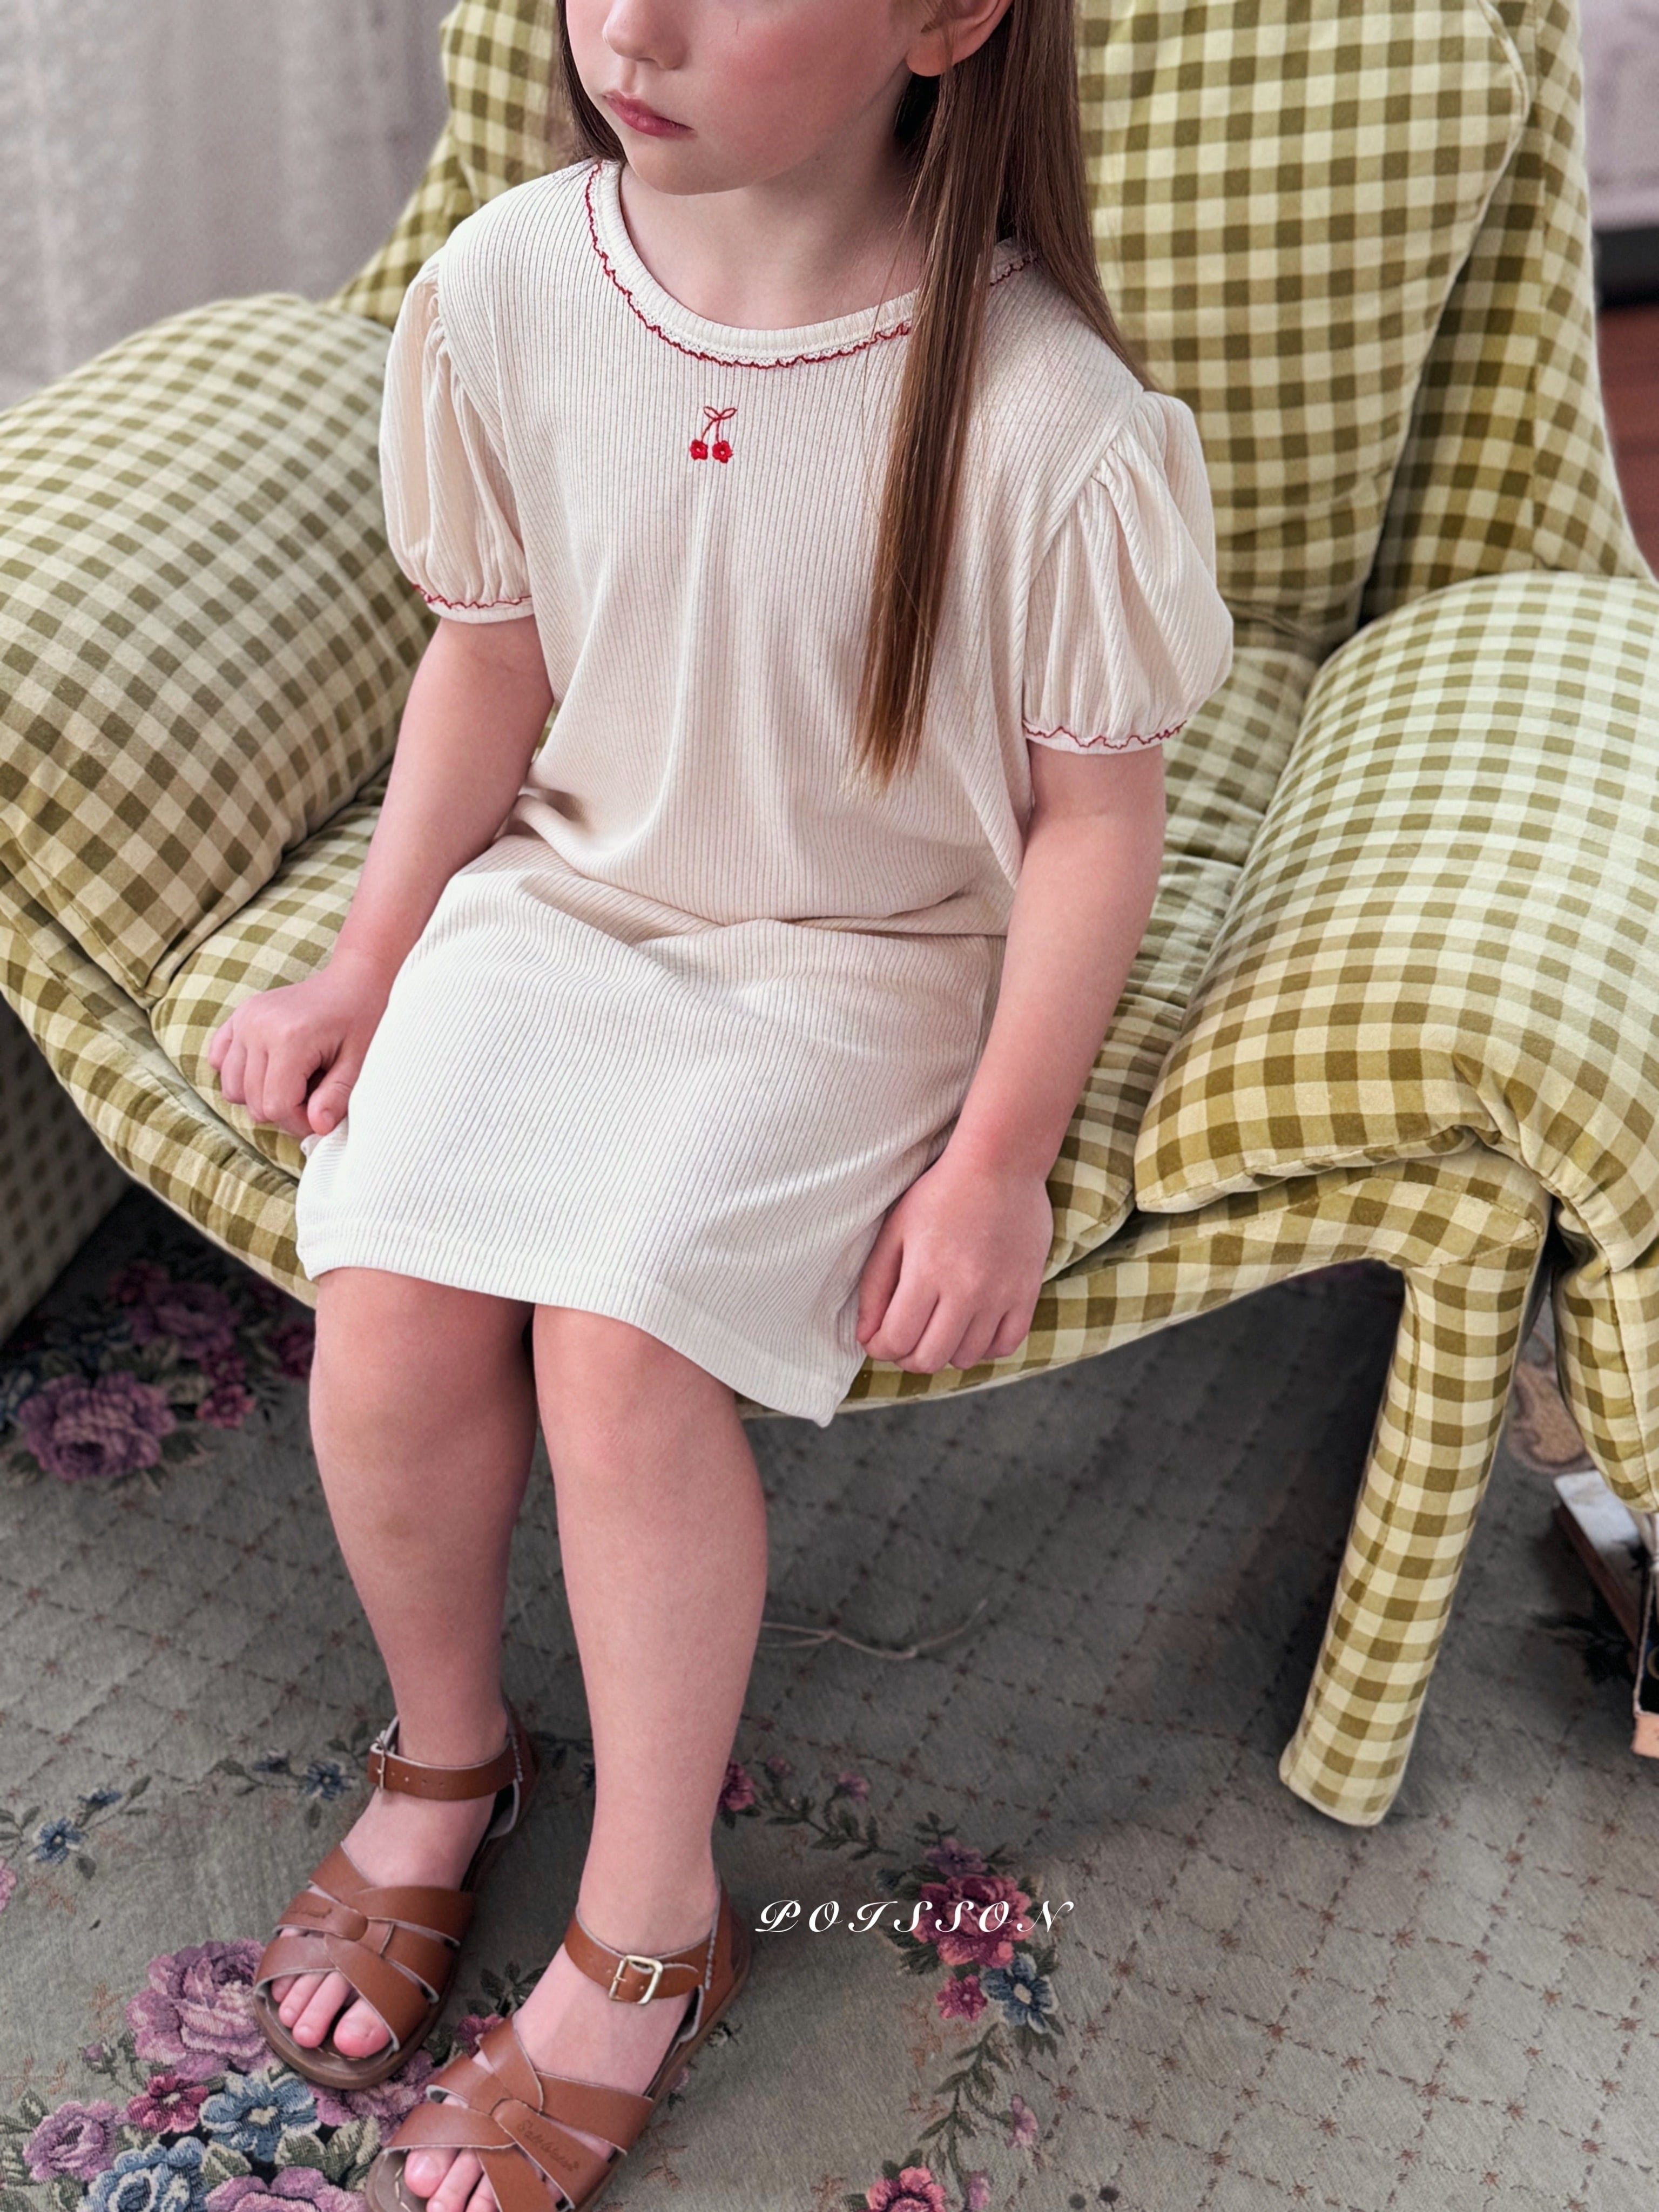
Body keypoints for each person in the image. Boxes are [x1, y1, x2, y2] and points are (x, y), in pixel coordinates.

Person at [206, 0, 1234, 2205]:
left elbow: (1094, 825)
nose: (630, 28)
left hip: (856, 964)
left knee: (621, 1342)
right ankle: (450, 1756)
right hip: (569, 897)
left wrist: (999, 1163)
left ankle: (654, 1919)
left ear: (945, 21)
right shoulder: (508, 283)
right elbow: (491, 654)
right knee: (386, 1310)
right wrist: (368, 960)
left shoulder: (1046, 415)